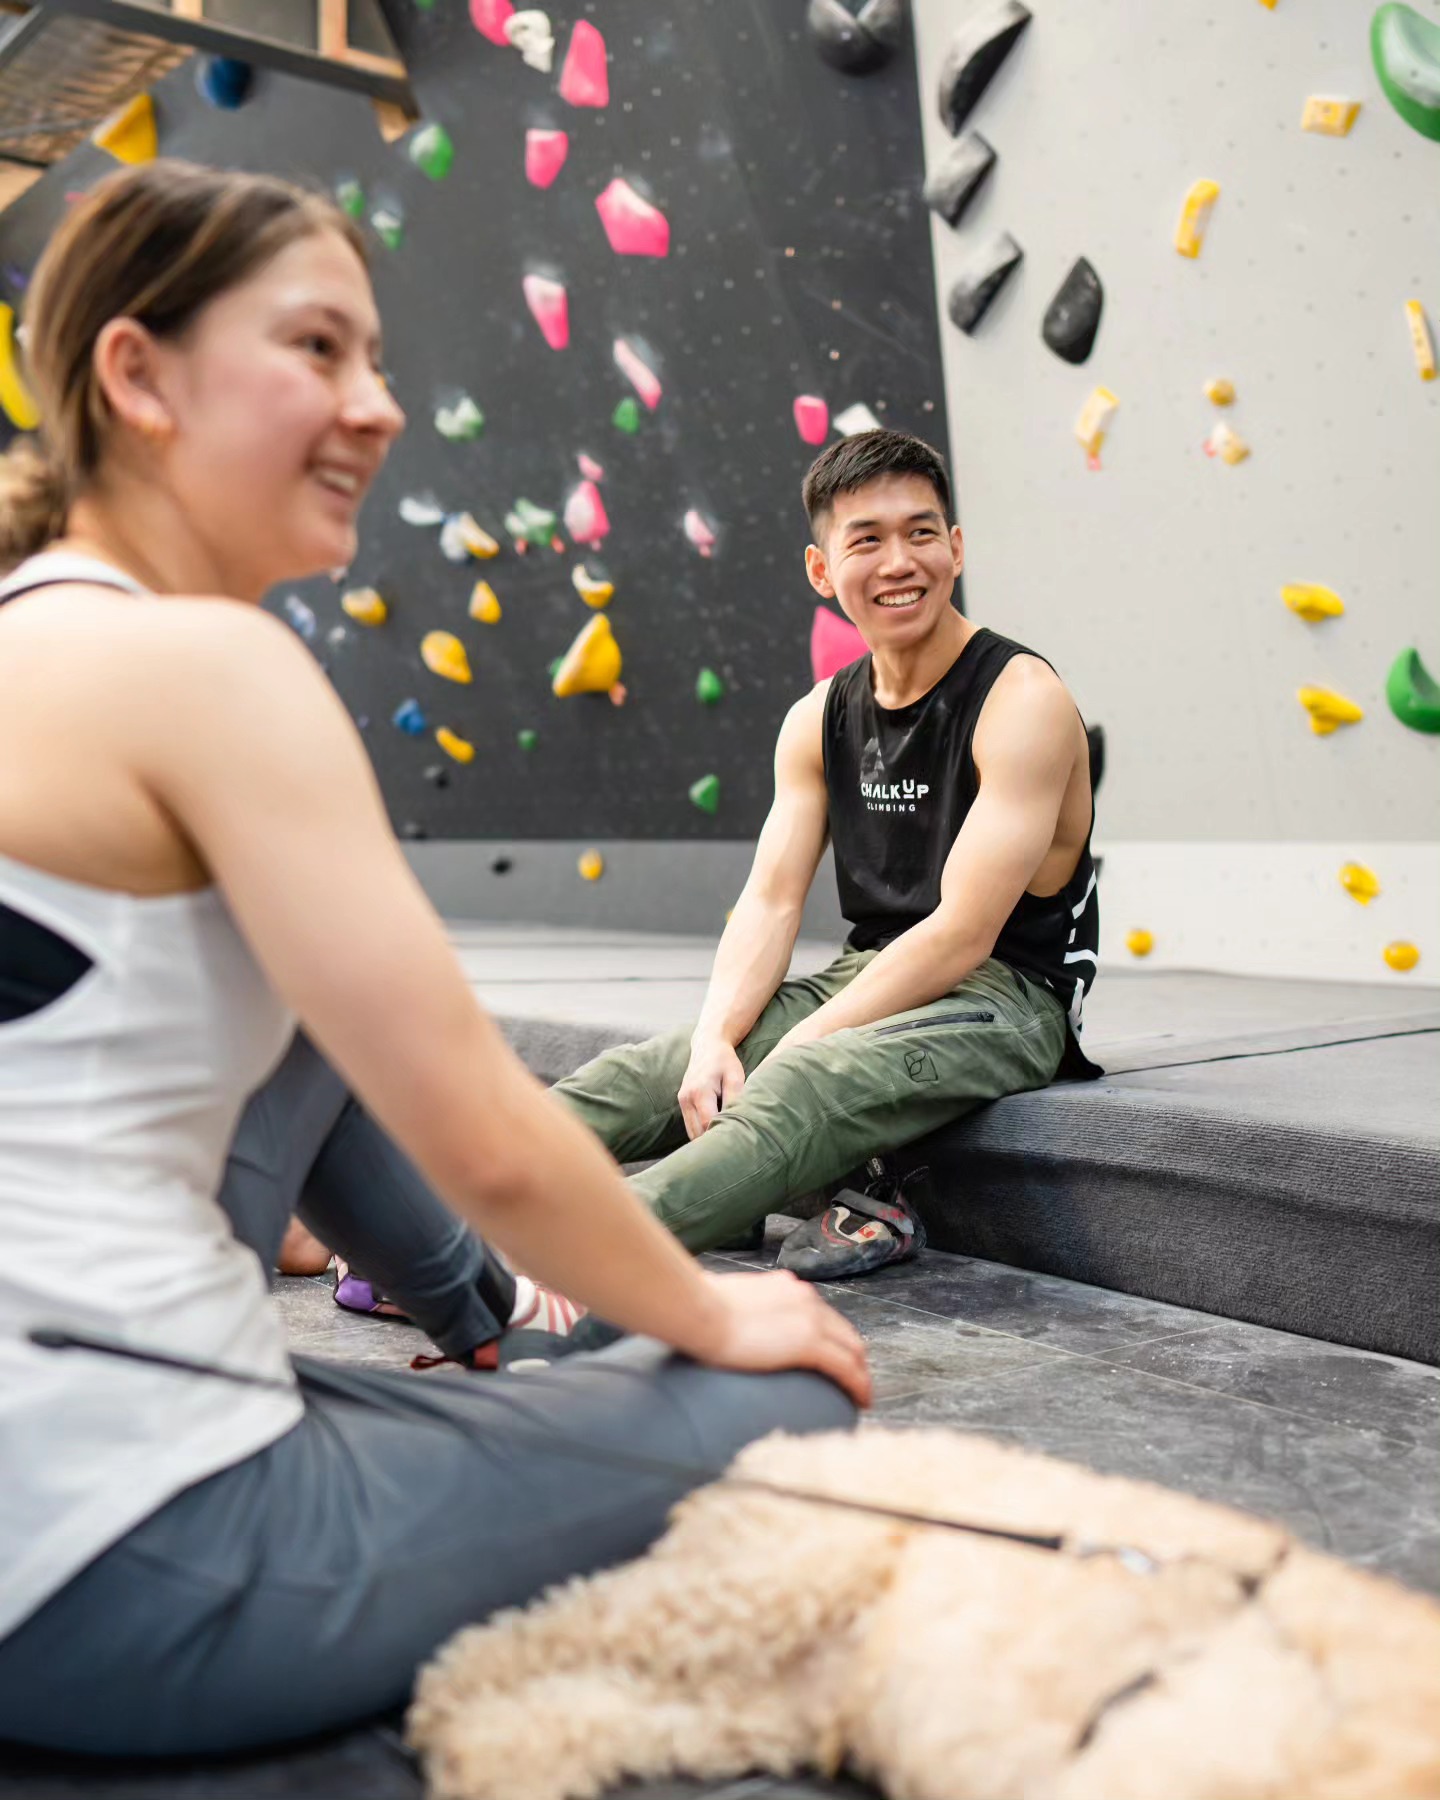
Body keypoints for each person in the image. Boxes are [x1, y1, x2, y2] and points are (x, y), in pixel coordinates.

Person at [0, 159, 865, 1760]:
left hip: (53, 1455)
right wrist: (714, 1313)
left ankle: (490, 1328)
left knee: (328, 1054)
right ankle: (567, 1344)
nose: (378, 405)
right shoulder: (206, 668)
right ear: (137, 375)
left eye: (377, 358)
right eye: (319, 350)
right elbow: (481, 1127)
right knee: (783, 1385)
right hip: (111, 1557)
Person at [552, 428, 1103, 1276]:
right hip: (874, 967)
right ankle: (424, 1211)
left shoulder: (1020, 698)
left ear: (955, 550)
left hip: (1009, 994)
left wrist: (805, 1041)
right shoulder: (817, 716)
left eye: (922, 533)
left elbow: (962, 933)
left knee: (801, 1080)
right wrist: (714, 1038)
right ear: (822, 571)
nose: (900, 562)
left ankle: (548, 1265)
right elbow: (770, 900)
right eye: (867, 541)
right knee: (649, 1073)